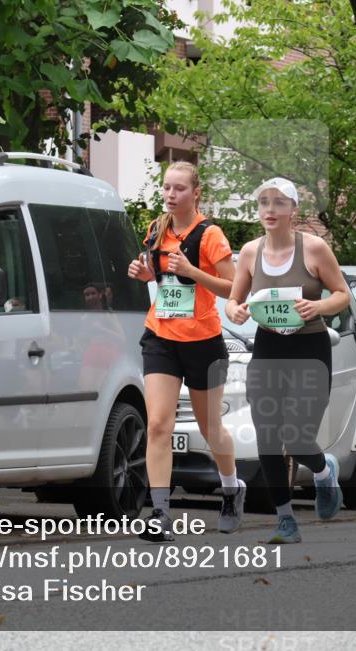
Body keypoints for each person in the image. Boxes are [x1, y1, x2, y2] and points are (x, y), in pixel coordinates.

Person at [226, 177, 351, 544]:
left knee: (297, 438)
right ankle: (285, 518)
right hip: (268, 348)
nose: (270, 210)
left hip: (310, 349)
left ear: (294, 210)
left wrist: (319, 305)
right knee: (267, 434)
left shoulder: (314, 249)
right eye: (264, 202)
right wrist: (235, 311)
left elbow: (341, 294)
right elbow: (234, 301)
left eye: (279, 203)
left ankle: (323, 470)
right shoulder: (250, 252)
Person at [127, 161, 245, 542]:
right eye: (166, 188)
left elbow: (232, 289)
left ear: (196, 193)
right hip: (160, 335)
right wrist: (147, 275)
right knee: (159, 424)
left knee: (211, 429)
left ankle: (231, 488)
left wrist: (194, 271)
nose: (170, 195)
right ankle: (160, 512)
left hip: (202, 342)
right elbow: (163, 281)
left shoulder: (210, 235)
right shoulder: (156, 230)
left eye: (179, 189)